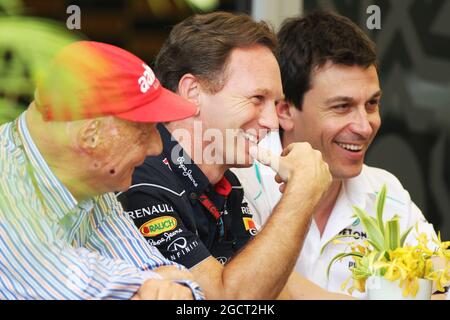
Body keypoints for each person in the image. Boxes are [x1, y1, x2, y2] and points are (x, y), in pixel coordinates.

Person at [118, 11, 343, 300]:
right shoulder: (142, 181)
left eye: (274, 103)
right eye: (256, 99)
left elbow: (273, 289)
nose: (272, 123)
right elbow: (230, 301)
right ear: (192, 92)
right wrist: (302, 194)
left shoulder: (227, 183)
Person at [232, 11, 437, 298]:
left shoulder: (384, 190)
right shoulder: (237, 183)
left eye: (372, 104)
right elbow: (255, 286)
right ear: (285, 111)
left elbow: (439, 277)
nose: (365, 127)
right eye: (342, 107)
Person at [0, 41, 204, 300]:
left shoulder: (93, 179)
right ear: (91, 136)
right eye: (144, 131)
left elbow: (182, 288)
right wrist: (148, 286)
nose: (157, 147)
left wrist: (157, 286)